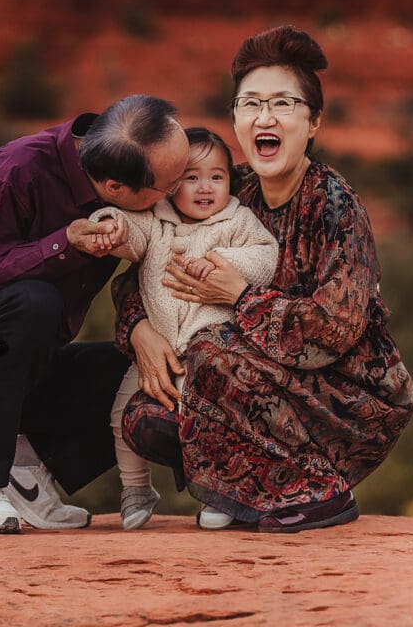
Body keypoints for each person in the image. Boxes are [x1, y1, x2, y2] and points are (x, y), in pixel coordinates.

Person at [114, 25, 413, 533]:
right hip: (245, 375)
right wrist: (139, 329)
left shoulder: (335, 208)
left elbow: (332, 331)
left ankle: (319, 494)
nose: (264, 117)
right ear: (234, 117)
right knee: (146, 418)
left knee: (209, 352)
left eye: (282, 104)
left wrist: (240, 295)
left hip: (349, 395)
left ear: (313, 121)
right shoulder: (227, 194)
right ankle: (240, 492)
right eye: (249, 104)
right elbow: (143, 269)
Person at [0, 94, 191, 534]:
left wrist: (141, 331)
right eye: (172, 184)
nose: (180, 190)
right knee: (33, 301)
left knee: (132, 369)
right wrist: (62, 244)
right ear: (116, 191)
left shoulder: (121, 189)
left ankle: (25, 477)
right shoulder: (14, 175)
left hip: (27, 368)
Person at [89, 127, 279, 530]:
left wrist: (224, 263)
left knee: (218, 423)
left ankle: (224, 493)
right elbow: (132, 235)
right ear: (172, 185)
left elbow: (266, 257)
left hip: (213, 355)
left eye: (217, 176)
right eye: (191, 177)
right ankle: (136, 489)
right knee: (120, 413)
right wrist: (111, 226)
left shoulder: (237, 221)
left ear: (230, 181)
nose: (205, 187)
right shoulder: (157, 219)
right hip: (159, 352)